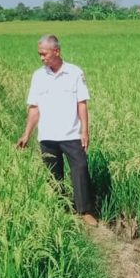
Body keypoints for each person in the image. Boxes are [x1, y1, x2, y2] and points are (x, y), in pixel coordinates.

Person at [16, 35, 97, 225]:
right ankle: (60, 209)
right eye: (40, 54)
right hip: (48, 136)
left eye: (44, 54)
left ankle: (85, 211)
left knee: (80, 169)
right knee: (53, 175)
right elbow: (34, 108)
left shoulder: (75, 73)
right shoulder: (38, 76)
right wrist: (26, 133)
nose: (42, 58)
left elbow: (82, 104)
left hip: (71, 134)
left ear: (57, 51)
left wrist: (85, 131)